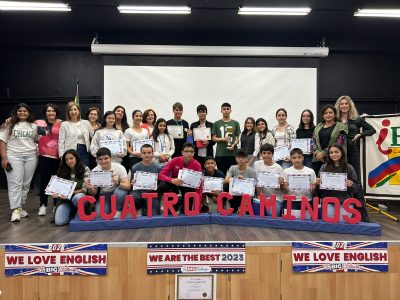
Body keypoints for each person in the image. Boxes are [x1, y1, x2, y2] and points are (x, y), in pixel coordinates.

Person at [0, 103, 38, 222]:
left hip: (31, 156)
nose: (22, 113)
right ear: (16, 112)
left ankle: (20, 207)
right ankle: (15, 210)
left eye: (25, 111)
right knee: (15, 183)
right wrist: (4, 158)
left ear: (28, 113)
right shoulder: (9, 124)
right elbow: (2, 142)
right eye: (20, 111)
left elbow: (37, 139)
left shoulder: (33, 125)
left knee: (26, 184)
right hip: (13, 156)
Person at [316, 144, 361, 222]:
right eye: (331, 152)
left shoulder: (349, 168)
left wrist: (351, 185)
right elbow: (319, 190)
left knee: (343, 225)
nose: (334, 154)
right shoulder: (324, 167)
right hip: (328, 202)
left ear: (342, 153)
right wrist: (317, 183)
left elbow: (356, 188)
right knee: (329, 225)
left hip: (345, 203)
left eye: (336, 152)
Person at [335, 95, 376, 179]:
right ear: (338, 106)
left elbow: (372, 130)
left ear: (350, 105)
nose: (344, 105)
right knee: (339, 173)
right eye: (341, 104)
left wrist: (360, 134)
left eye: (346, 103)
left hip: (352, 150)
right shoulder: (335, 119)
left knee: (354, 174)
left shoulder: (357, 119)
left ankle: (356, 192)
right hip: (338, 150)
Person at [86, 148, 131, 218]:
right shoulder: (95, 171)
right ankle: (112, 208)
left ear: (111, 158)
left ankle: (118, 210)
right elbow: (94, 193)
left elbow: (128, 187)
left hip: (118, 192)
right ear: (97, 160)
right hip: (104, 194)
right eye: (100, 159)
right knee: (99, 215)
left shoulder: (119, 168)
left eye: (106, 158)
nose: (103, 161)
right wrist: (90, 188)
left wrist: (118, 183)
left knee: (119, 192)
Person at [158, 143, 202, 213]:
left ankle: (181, 202)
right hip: (174, 183)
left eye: (191, 151)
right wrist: (171, 180)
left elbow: (198, 185)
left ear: (194, 153)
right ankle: (174, 203)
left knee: (186, 211)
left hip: (188, 187)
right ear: (182, 152)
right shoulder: (175, 160)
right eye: (186, 151)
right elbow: (160, 175)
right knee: (162, 186)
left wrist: (198, 206)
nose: (189, 153)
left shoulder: (197, 165)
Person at [35, 103, 62, 216]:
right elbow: (33, 137)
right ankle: (43, 205)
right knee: (44, 181)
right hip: (44, 157)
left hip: (57, 156)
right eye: (48, 111)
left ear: (56, 112)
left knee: (57, 181)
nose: (51, 113)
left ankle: (56, 205)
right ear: (45, 113)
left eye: (53, 111)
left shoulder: (61, 124)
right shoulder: (38, 123)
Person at [52, 149, 90, 225]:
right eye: (66, 159)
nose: (69, 161)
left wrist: (70, 193)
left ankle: (81, 210)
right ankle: (72, 214)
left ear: (76, 158)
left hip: (78, 197)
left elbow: (85, 189)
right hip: (65, 201)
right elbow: (56, 188)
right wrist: (55, 194)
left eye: (71, 158)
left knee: (78, 197)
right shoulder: (61, 170)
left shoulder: (85, 169)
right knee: (59, 222)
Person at [312, 104, 348, 176]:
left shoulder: (342, 126)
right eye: (325, 113)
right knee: (318, 182)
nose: (328, 115)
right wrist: (317, 153)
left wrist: (323, 153)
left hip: (335, 159)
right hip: (318, 159)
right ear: (323, 115)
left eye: (330, 112)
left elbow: (339, 143)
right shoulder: (317, 127)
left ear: (334, 114)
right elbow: (312, 141)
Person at [282, 148, 317, 219]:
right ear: (290, 159)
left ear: (303, 158)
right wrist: (283, 186)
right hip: (291, 202)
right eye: (294, 158)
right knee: (290, 224)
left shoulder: (310, 171)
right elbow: (284, 191)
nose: (297, 160)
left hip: (307, 200)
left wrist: (314, 188)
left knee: (306, 224)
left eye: (299, 157)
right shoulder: (286, 171)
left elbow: (314, 192)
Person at [129, 144, 162, 215]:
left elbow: (160, 184)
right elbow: (131, 183)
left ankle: (146, 207)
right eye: (144, 153)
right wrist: (132, 183)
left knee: (155, 215)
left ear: (152, 154)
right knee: (133, 196)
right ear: (141, 154)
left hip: (152, 193)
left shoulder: (158, 168)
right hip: (138, 191)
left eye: (149, 153)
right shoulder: (135, 167)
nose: (146, 155)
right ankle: (139, 207)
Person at [58, 101, 93, 167]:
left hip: (84, 151)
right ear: (68, 112)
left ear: (79, 111)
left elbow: (93, 136)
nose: (73, 112)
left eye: (75, 109)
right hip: (70, 152)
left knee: (84, 170)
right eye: (71, 110)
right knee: (72, 171)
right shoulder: (64, 124)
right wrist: (62, 156)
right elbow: (61, 141)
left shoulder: (86, 123)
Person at [223, 149, 259, 213]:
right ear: (236, 158)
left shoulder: (252, 171)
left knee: (249, 214)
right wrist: (237, 180)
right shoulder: (232, 168)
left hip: (247, 195)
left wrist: (244, 181)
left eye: (243, 157)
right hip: (236, 193)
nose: (240, 159)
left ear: (246, 159)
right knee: (226, 186)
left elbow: (255, 186)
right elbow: (225, 180)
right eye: (238, 157)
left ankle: (245, 207)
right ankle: (233, 207)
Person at [254, 144, 285, 216]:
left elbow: (282, 189)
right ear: (261, 154)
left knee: (272, 214)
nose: (266, 155)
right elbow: (257, 182)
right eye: (264, 153)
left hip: (276, 197)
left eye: (269, 153)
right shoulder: (257, 164)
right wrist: (258, 196)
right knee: (257, 213)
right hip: (262, 196)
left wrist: (281, 183)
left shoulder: (278, 168)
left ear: (272, 154)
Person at [212, 102, 241, 175]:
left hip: (233, 154)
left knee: (234, 175)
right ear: (221, 111)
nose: (226, 110)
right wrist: (223, 139)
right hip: (220, 154)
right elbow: (213, 138)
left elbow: (237, 139)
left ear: (231, 110)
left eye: (228, 109)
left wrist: (233, 145)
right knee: (221, 174)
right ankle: (223, 187)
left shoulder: (236, 123)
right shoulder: (216, 123)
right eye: (224, 109)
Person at [113, 105, 130, 172]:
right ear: (114, 112)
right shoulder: (109, 124)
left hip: (124, 154)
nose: (120, 112)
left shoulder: (126, 126)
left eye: (122, 112)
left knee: (123, 171)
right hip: (113, 154)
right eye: (118, 111)